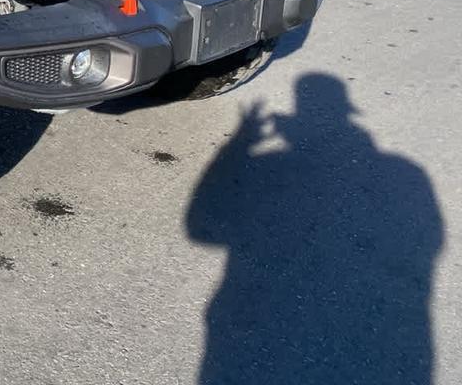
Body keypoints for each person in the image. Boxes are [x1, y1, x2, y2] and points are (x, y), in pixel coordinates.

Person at [187, 74, 441, 384]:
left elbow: (199, 228)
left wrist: (239, 145)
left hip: (244, 324)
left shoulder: (271, 163)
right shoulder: (408, 172)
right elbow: (430, 245)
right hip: (401, 340)